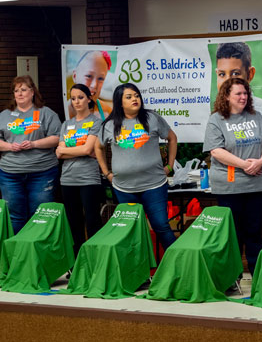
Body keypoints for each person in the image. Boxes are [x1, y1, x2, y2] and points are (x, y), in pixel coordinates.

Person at [95, 83, 178, 254]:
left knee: (161, 225)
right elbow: (98, 147)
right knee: (131, 231)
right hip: (124, 188)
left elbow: (172, 138)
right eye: (129, 97)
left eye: (136, 95)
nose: (135, 99)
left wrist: (169, 166)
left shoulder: (151, 118)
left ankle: (181, 266)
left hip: (154, 186)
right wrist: (106, 172)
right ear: (120, 102)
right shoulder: (110, 125)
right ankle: (138, 274)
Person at [203, 78, 262, 275]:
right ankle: (232, 276)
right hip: (230, 186)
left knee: (254, 232)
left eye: (245, 93)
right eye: (238, 94)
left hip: (257, 184)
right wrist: (245, 165)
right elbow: (216, 151)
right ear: (226, 96)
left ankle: (258, 274)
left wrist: (260, 162)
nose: (243, 97)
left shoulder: (256, 116)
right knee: (232, 234)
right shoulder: (217, 119)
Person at [0, 75, 62, 234]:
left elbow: (56, 138)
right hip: (10, 174)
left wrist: (35, 144)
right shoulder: (4, 115)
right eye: (16, 90)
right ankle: (19, 252)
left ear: (32, 92)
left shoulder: (46, 113)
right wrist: (9, 146)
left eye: (23, 90)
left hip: (42, 172)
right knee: (15, 215)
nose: (19, 93)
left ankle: (39, 252)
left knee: (40, 214)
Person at [56, 84, 104, 256]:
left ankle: (94, 260)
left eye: (81, 97)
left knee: (92, 222)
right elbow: (59, 153)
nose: (76, 101)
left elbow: (88, 150)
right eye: (73, 98)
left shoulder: (97, 122)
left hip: (88, 179)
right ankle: (77, 264)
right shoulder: (66, 124)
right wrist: (79, 150)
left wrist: (68, 150)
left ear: (89, 99)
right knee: (74, 223)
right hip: (67, 179)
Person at [214, 42, 262, 116]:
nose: (227, 83)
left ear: (250, 74)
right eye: (222, 74)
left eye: (235, 74)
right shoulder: (213, 117)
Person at [69, 50, 112, 118]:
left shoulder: (107, 112)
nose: (94, 85)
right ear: (75, 76)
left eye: (100, 79)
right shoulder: (66, 111)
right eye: (89, 76)